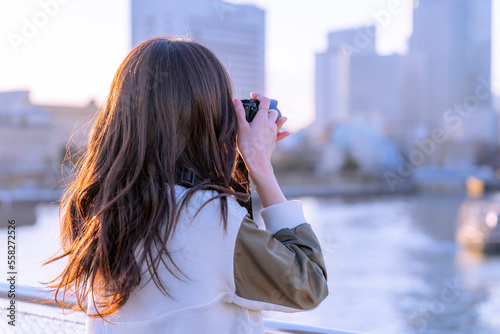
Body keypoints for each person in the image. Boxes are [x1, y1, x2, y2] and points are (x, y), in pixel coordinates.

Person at [45, 37, 328, 333]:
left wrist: (235, 165)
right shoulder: (209, 221)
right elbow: (308, 283)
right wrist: (259, 166)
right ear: (211, 119)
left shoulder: (97, 210)